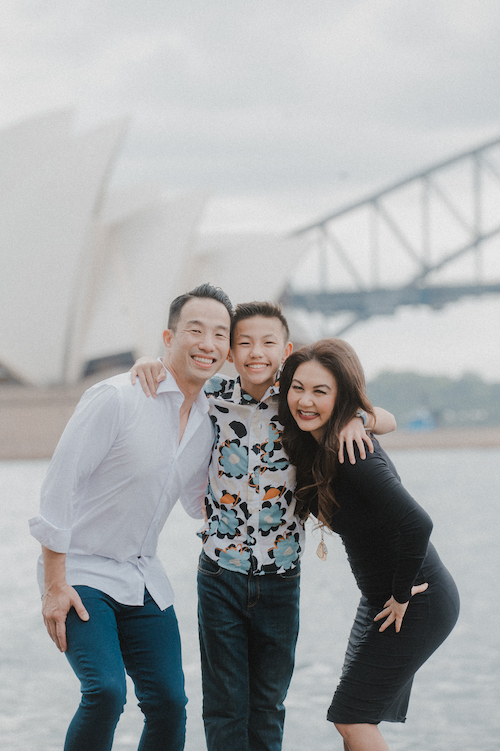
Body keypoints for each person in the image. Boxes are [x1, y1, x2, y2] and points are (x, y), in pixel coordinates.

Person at [131, 302, 397, 751]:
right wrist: (147, 362)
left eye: (269, 343)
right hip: (220, 574)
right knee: (224, 704)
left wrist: (356, 417)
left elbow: (386, 419)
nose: (257, 352)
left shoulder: (299, 401)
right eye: (245, 343)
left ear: (286, 349)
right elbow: (167, 373)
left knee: (269, 704)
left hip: (281, 577)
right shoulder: (212, 395)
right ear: (231, 353)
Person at [29, 283, 233, 751]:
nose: (207, 343)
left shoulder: (209, 418)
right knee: (105, 691)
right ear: (168, 337)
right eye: (195, 330)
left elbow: (196, 502)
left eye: (219, 334)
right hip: (80, 569)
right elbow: (59, 486)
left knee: (169, 701)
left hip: (142, 576)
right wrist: (55, 584)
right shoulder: (117, 398)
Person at [277, 338, 460, 751]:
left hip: (415, 598)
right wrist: (362, 416)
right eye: (297, 387)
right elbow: (382, 417)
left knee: (352, 717)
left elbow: (418, 523)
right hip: (380, 599)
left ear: (340, 395)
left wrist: (398, 595)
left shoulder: (353, 454)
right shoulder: (319, 441)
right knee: (353, 716)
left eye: (320, 391)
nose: (305, 400)